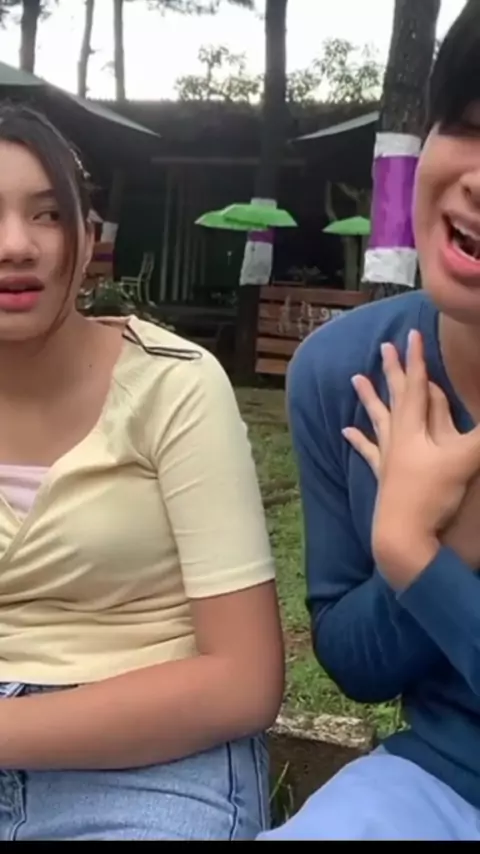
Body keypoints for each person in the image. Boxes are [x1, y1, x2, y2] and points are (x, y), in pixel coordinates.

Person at [0, 103, 284, 841]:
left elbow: (245, 678)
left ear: (90, 240)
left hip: (154, 760)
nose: (16, 245)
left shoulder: (174, 386)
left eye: (48, 215)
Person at [258, 3, 480, 843]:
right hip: (441, 777)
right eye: (466, 127)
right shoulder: (346, 372)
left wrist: (419, 552)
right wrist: (444, 548)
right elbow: (354, 664)